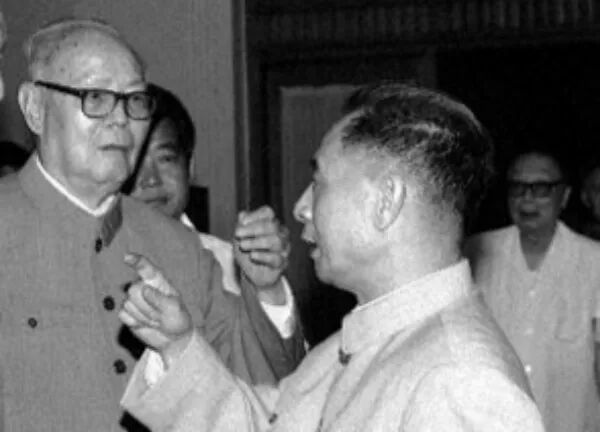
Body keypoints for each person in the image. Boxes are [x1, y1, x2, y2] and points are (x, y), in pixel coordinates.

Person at [118, 82, 544, 431]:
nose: (302, 207)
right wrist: (176, 345)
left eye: (319, 182)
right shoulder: (350, 348)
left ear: (385, 201)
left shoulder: (462, 379)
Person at [0, 18, 300, 431]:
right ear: (35, 107)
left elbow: (260, 396)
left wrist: (265, 288)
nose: (121, 120)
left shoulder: (180, 246)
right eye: (96, 97)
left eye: (135, 101)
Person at [128, 83, 304, 377]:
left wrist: (268, 289)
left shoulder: (232, 265)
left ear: (190, 167)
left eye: (166, 159)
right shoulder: (93, 259)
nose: (151, 180)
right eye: (136, 163)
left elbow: (283, 380)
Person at [464, 148, 600, 432]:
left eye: (541, 189)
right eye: (518, 187)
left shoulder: (593, 262)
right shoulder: (477, 253)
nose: (527, 198)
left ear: (564, 196)